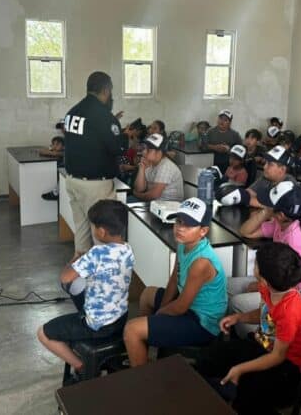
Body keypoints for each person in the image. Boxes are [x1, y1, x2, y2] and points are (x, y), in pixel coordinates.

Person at [197, 243, 301, 414]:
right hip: (263, 345)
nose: (254, 266)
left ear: (264, 278)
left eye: (256, 264)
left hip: (285, 368)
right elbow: (265, 314)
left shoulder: (290, 311)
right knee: (210, 357)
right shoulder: (267, 288)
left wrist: (240, 369)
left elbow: (277, 357)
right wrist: (238, 317)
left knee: (247, 395)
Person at [37, 200, 134, 384]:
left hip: (96, 325)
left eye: (94, 227)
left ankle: (81, 366)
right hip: (119, 318)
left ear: (102, 231)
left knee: (43, 333)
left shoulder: (96, 253)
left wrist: (73, 261)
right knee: (83, 287)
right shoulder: (127, 249)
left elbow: (65, 278)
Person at [123, 198, 227, 366]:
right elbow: (174, 280)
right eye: (178, 221)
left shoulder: (201, 262)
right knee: (147, 294)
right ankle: (142, 354)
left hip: (202, 323)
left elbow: (181, 307)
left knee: (131, 330)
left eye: (188, 225)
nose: (180, 228)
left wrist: (160, 314)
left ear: (203, 231)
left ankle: (144, 376)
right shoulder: (183, 244)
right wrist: (161, 314)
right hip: (189, 307)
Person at [229, 181, 301, 334]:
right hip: (279, 280)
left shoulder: (297, 238)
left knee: (238, 303)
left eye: (269, 205)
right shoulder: (283, 223)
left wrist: (260, 286)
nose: (265, 206)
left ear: (281, 215)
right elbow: (246, 231)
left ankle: (258, 340)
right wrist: (266, 212)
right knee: (228, 286)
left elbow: (292, 280)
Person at [63, 71, 126, 261]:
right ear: (106, 90)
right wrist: (123, 136)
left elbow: (87, 138)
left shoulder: (72, 113)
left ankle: (78, 273)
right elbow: (118, 148)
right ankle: (102, 276)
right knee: (103, 237)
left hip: (72, 181)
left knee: (82, 231)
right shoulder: (105, 117)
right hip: (95, 186)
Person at [132, 133, 184, 202]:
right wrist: (142, 168)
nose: (144, 152)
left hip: (168, 205)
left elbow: (154, 195)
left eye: (149, 150)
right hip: (156, 203)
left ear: (159, 152)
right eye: (145, 148)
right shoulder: (149, 163)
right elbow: (139, 189)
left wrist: (138, 195)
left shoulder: (165, 166)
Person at [40, 136, 65, 201]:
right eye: (53, 144)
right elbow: (42, 151)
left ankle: (55, 193)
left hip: (64, 170)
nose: (55, 146)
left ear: (63, 146)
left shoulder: (64, 152)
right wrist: (50, 148)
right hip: (57, 170)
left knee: (62, 177)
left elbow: (55, 154)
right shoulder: (54, 150)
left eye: (57, 144)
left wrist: (50, 150)